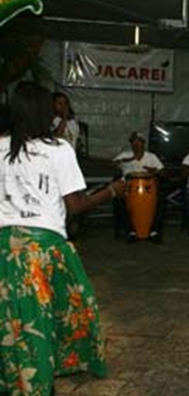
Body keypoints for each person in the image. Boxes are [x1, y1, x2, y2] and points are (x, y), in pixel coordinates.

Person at [0, 82, 125, 395]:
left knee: (15, 321)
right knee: (57, 316)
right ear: (46, 114)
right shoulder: (57, 150)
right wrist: (110, 192)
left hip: (5, 249)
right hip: (44, 250)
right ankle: (40, 385)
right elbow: (76, 206)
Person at [113, 131, 165, 242]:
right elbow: (111, 164)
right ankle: (130, 231)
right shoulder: (125, 154)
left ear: (143, 143)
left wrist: (154, 170)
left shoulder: (151, 157)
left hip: (148, 187)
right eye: (133, 142)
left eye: (138, 142)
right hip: (127, 185)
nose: (135, 144)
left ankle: (153, 231)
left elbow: (163, 172)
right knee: (120, 202)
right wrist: (126, 160)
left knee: (159, 201)